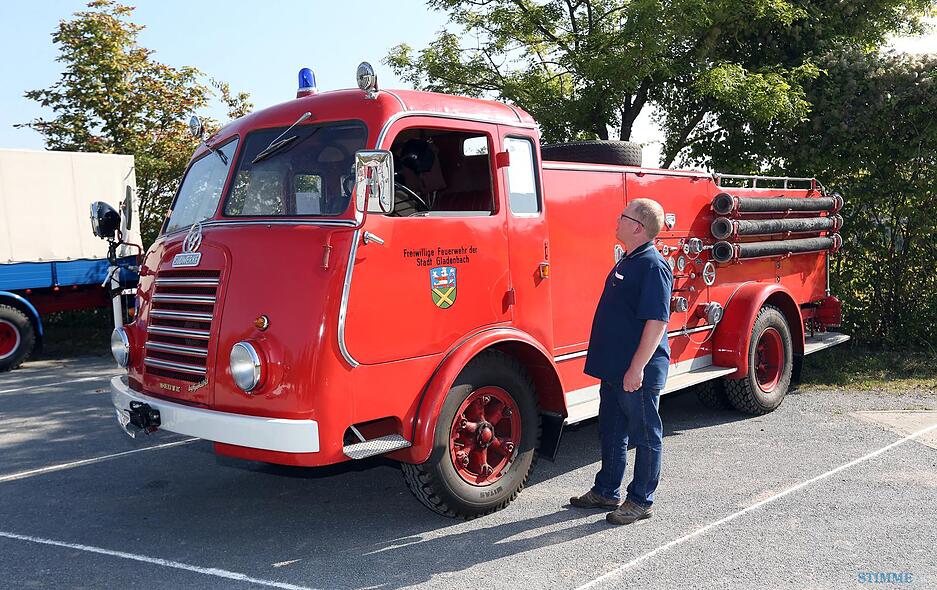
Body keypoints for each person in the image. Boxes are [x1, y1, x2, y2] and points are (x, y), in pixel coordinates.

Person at [570, 198, 672, 525]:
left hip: (635, 370)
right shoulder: (630, 259)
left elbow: (656, 322)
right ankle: (607, 491)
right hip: (615, 367)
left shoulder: (653, 265)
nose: (617, 219)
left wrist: (637, 368)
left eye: (623, 216)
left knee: (644, 434)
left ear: (637, 227)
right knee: (612, 430)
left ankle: (640, 500)